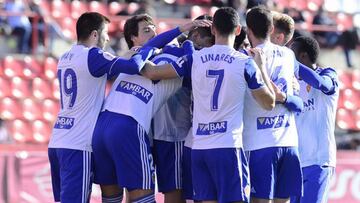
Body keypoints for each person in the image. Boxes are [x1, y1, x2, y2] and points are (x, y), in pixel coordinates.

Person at [142, 7, 276, 202]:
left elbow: (152, 73)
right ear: (238, 30)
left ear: (213, 29)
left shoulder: (194, 58)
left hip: (200, 148)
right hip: (228, 146)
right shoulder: (245, 63)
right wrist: (262, 68)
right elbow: (269, 103)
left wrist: (135, 56)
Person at [92, 13, 211, 203]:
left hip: (102, 126)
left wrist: (182, 33)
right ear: (133, 38)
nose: (154, 32)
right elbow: (164, 68)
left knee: (112, 199)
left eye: (155, 28)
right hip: (128, 125)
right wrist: (185, 37)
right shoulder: (175, 54)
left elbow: (154, 49)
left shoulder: (137, 53)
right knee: (144, 198)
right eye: (147, 30)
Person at [47, 12, 157, 203]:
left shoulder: (65, 57)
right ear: (95, 34)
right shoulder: (93, 55)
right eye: (105, 33)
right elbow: (133, 66)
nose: (107, 38)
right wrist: (148, 48)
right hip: (78, 145)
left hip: (57, 141)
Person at [151, 14, 214, 203]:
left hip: (173, 134)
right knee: (176, 193)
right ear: (195, 35)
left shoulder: (170, 49)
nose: (210, 48)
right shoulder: (186, 56)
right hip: (175, 135)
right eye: (208, 41)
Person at [243, 6, 303, 203]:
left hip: (259, 141)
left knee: (260, 200)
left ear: (248, 30)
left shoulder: (245, 57)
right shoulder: (288, 55)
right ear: (271, 29)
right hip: (288, 140)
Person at [290, 36, 339, 203]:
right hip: (296, 162)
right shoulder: (292, 83)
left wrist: (291, 64)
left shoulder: (328, 73)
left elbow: (322, 84)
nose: (288, 56)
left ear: (303, 56)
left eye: (291, 53)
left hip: (319, 161)